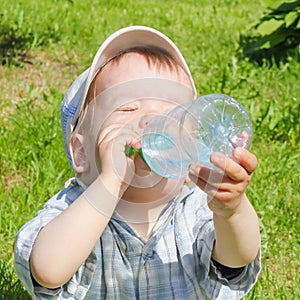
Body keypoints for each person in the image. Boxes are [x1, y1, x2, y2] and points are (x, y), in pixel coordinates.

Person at [15, 26, 261, 299]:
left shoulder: (195, 207)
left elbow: (235, 260)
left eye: (173, 114)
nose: (150, 121)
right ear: (81, 152)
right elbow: (48, 270)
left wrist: (231, 211)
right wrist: (111, 181)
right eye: (128, 108)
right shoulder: (69, 209)